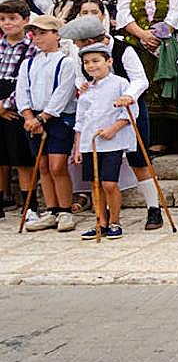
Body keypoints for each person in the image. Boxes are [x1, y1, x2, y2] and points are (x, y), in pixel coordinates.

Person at [115, 0, 178, 152]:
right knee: (139, 87)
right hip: (135, 44)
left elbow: (174, 16)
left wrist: (155, 36)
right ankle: (139, 137)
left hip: (162, 45)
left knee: (161, 90)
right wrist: (143, 35)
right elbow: (123, 13)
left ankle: (160, 141)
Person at [17, 15, 77, 233]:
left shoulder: (66, 62)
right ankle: (51, 210)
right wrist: (28, 117)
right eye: (36, 33)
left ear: (56, 35)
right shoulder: (28, 63)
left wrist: (44, 117)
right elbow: (22, 90)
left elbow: (63, 92)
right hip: (34, 120)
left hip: (57, 120)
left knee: (57, 165)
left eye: (43, 33)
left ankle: (65, 210)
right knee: (42, 165)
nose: (38, 38)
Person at [71, 44, 137, 239]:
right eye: (86, 62)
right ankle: (101, 221)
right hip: (89, 144)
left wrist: (113, 129)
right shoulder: (86, 89)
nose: (91, 66)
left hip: (112, 143)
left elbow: (131, 112)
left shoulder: (120, 83)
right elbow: (80, 120)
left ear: (109, 61)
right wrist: (77, 146)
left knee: (109, 183)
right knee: (95, 184)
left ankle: (115, 221)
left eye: (96, 61)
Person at [0, 0, 35, 223]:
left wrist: (5, 105)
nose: (7, 23)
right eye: (3, 19)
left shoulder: (31, 47)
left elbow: (27, 81)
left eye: (13, 18)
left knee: (22, 159)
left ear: (25, 20)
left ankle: (29, 206)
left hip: (16, 105)